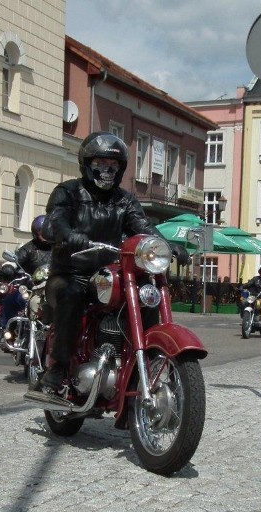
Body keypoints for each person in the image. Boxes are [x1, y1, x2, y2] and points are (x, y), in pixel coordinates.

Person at [40, 131, 189, 391]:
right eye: (99, 164)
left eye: (113, 165)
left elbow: (142, 226)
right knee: (71, 294)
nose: (107, 170)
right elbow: (56, 219)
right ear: (86, 164)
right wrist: (67, 235)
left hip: (107, 275)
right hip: (70, 273)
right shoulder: (68, 192)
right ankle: (58, 366)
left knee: (146, 296)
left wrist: (167, 245)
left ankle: (141, 360)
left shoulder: (124, 200)